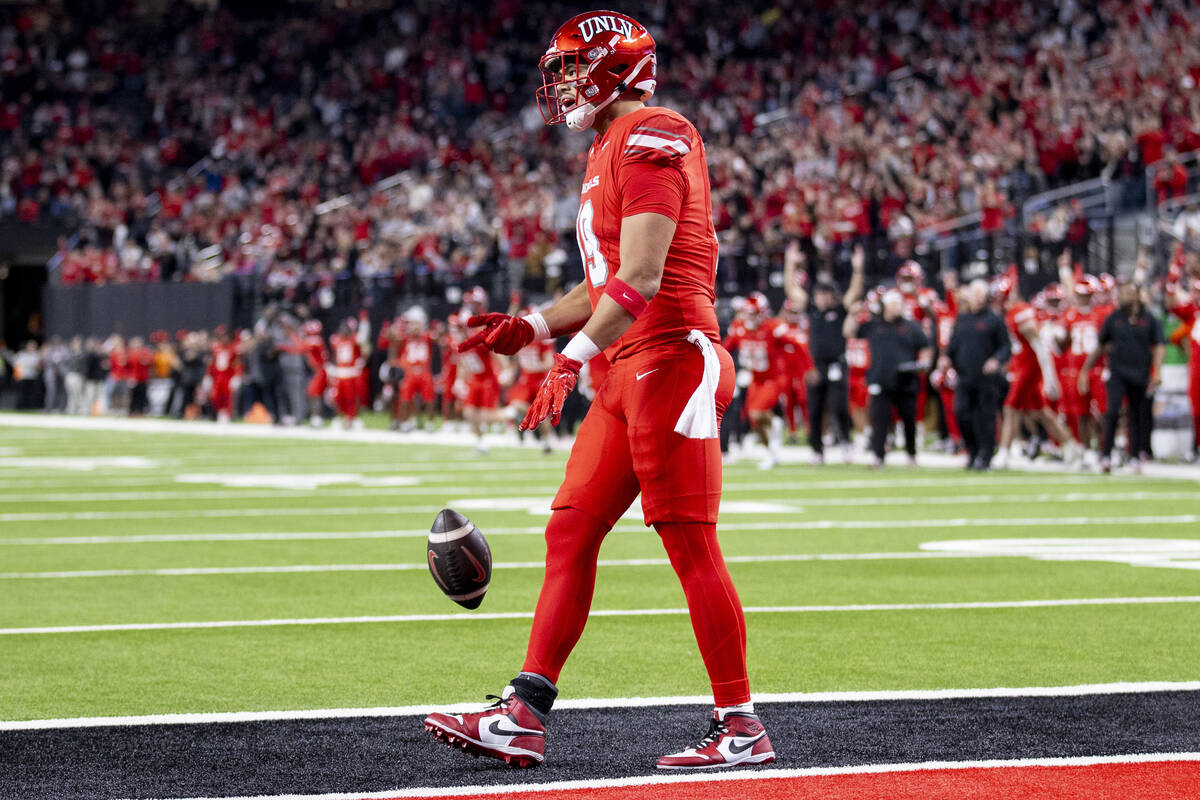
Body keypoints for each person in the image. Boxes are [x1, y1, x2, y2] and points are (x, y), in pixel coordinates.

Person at [424, 11, 773, 771]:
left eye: (577, 67)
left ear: (617, 68)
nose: (565, 84)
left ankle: (740, 724)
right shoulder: (606, 146)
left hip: (670, 358)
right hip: (627, 366)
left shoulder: (656, 133)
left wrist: (570, 357)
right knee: (570, 530)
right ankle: (523, 711)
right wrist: (532, 325)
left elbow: (643, 279)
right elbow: (603, 284)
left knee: (688, 540)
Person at [784, 241, 863, 463]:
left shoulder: (839, 310)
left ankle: (846, 442)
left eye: (826, 294)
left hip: (837, 363)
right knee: (815, 409)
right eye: (819, 294)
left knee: (839, 406)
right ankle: (817, 450)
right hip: (815, 364)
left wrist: (858, 269)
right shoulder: (811, 310)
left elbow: (854, 293)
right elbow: (792, 291)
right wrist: (789, 265)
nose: (821, 298)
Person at [1080, 282, 1165, 473]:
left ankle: (1134, 456)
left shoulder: (1149, 319)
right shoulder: (1113, 319)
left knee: (1137, 414)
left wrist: (1157, 371)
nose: (1121, 297)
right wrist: (1085, 370)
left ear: (1135, 295)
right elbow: (1100, 346)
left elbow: (1159, 345)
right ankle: (1106, 456)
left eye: (1125, 293)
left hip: (1140, 373)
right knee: (1111, 412)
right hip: (1118, 372)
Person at [844, 289, 931, 466]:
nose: (897, 308)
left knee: (908, 420)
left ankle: (911, 454)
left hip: (906, 380)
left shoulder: (911, 326)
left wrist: (924, 363)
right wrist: (853, 314)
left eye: (899, 304)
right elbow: (849, 332)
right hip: (881, 379)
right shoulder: (875, 325)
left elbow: (925, 346)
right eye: (893, 304)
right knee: (879, 420)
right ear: (885, 306)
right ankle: (878, 455)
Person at [942, 280, 1010, 470]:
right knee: (961, 413)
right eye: (975, 294)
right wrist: (946, 359)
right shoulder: (962, 319)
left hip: (987, 379)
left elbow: (1006, 347)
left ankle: (985, 455)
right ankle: (972, 451)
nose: (978, 299)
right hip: (964, 376)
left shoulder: (994, 319)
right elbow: (953, 344)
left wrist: (996, 360)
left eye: (981, 295)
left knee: (986, 417)